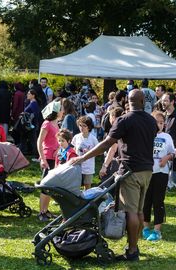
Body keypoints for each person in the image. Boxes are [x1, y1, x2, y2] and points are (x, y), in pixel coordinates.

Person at [69, 89, 157, 261]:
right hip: (147, 169)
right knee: (139, 211)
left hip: (130, 170)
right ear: (142, 102)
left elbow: (106, 143)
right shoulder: (151, 120)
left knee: (131, 212)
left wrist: (83, 157)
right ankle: (134, 246)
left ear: (127, 102)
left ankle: (132, 251)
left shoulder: (124, 120)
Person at [142, 111, 175, 241]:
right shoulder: (145, 135)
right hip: (147, 172)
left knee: (158, 201)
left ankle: (157, 230)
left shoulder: (167, 137)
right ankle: (145, 227)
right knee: (146, 200)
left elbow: (173, 153)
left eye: (161, 123)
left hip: (161, 173)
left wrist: (167, 157)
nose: (159, 125)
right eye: (156, 122)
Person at [37, 100, 62, 221]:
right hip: (47, 158)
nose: (62, 111)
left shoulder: (56, 123)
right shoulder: (46, 124)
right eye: (61, 109)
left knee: (50, 185)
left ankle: (45, 210)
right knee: (45, 185)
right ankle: (41, 212)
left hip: (54, 158)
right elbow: (39, 141)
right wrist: (42, 158)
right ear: (56, 112)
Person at [71, 116, 98, 190]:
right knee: (76, 185)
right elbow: (74, 148)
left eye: (84, 126)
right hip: (78, 165)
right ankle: (77, 199)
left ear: (89, 127)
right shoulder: (76, 137)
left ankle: (86, 200)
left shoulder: (93, 139)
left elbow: (99, 152)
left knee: (87, 186)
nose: (82, 128)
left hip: (88, 167)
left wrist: (89, 152)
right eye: (80, 125)